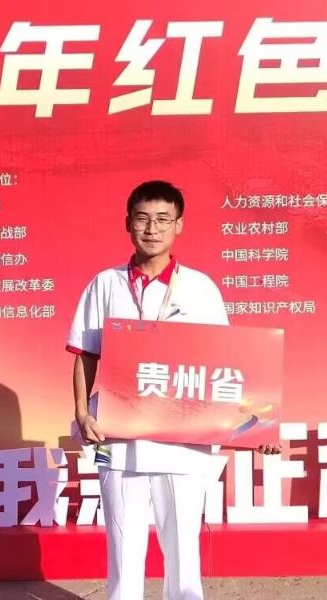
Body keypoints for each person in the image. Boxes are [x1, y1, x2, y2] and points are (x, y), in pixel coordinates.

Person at [66, 180, 279, 600]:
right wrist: (81, 411)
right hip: (117, 435)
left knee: (182, 546)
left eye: (163, 219)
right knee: (123, 546)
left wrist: (258, 428)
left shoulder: (200, 289)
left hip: (184, 440)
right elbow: (85, 354)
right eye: (142, 219)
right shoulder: (105, 284)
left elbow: (227, 364)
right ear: (128, 224)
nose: (152, 229)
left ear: (179, 225)